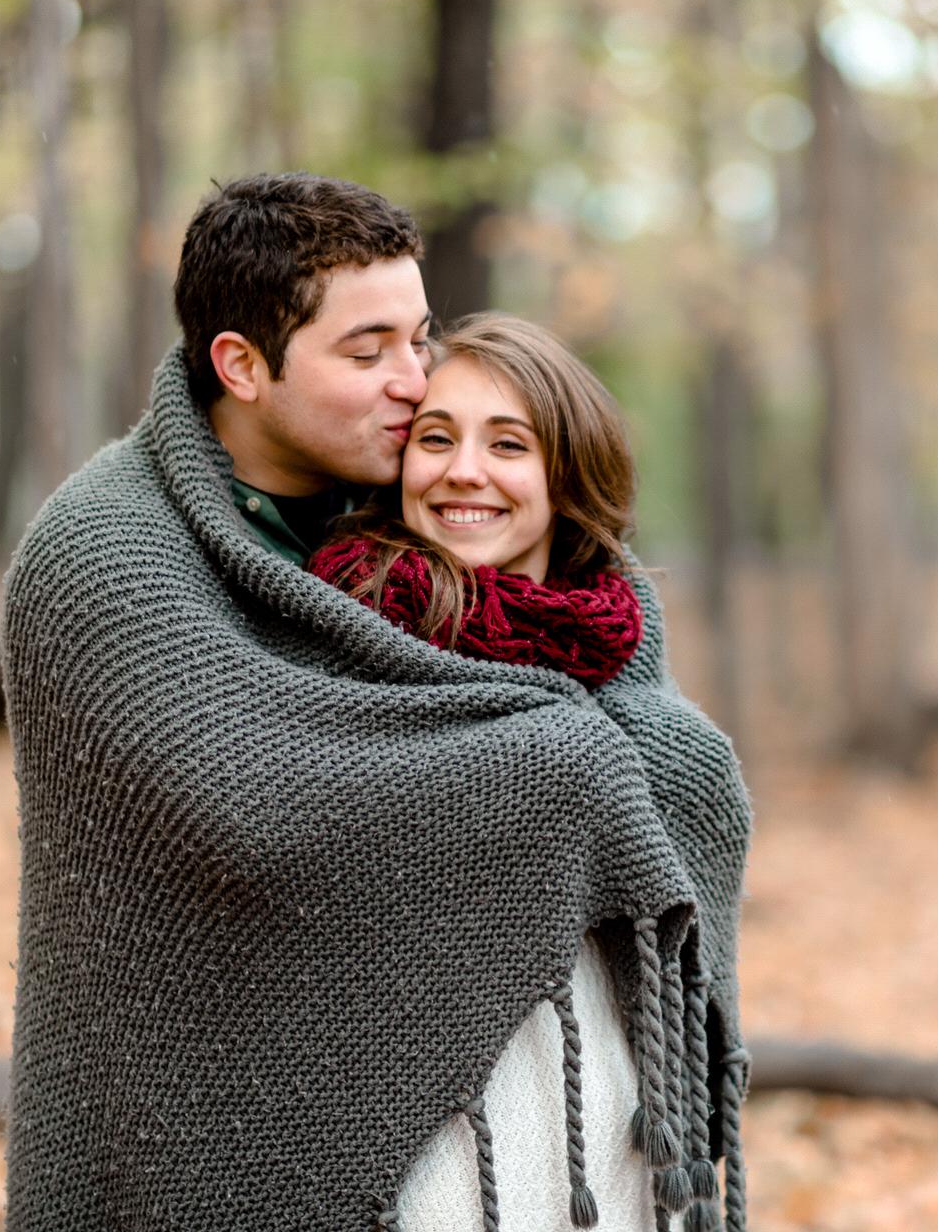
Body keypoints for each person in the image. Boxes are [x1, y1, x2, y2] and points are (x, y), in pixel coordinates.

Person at [0, 174, 754, 1232]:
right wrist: (559, 764)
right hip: (221, 1085)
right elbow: (261, 812)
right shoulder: (109, 554)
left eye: (419, 335)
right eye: (367, 353)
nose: (413, 381)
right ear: (242, 366)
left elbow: (613, 669)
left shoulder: (409, 484)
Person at [307, 313, 674, 1230]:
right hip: (425, 1124)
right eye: (436, 439)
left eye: (507, 444)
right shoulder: (343, 625)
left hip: (612, 1116)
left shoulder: (621, 645)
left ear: (567, 471)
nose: (463, 471)